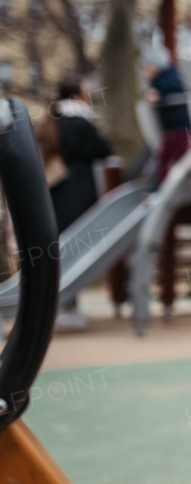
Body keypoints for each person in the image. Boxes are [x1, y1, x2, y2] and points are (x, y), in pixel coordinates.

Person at [48, 78, 112, 331]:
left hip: (57, 190)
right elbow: (102, 149)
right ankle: (67, 306)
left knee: (63, 247)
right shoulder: (79, 122)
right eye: (86, 92)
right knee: (75, 246)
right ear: (76, 96)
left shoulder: (54, 121)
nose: (91, 96)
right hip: (77, 189)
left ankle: (63, 305)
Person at [142, 48, 191, 184]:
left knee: (175, 155)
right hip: (171, 127)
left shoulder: (168, 77)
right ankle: (167, 182)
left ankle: (174, 183)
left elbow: (173, 87)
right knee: (167, 155)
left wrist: (159, 93)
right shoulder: (160, 79)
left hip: (178, 126)